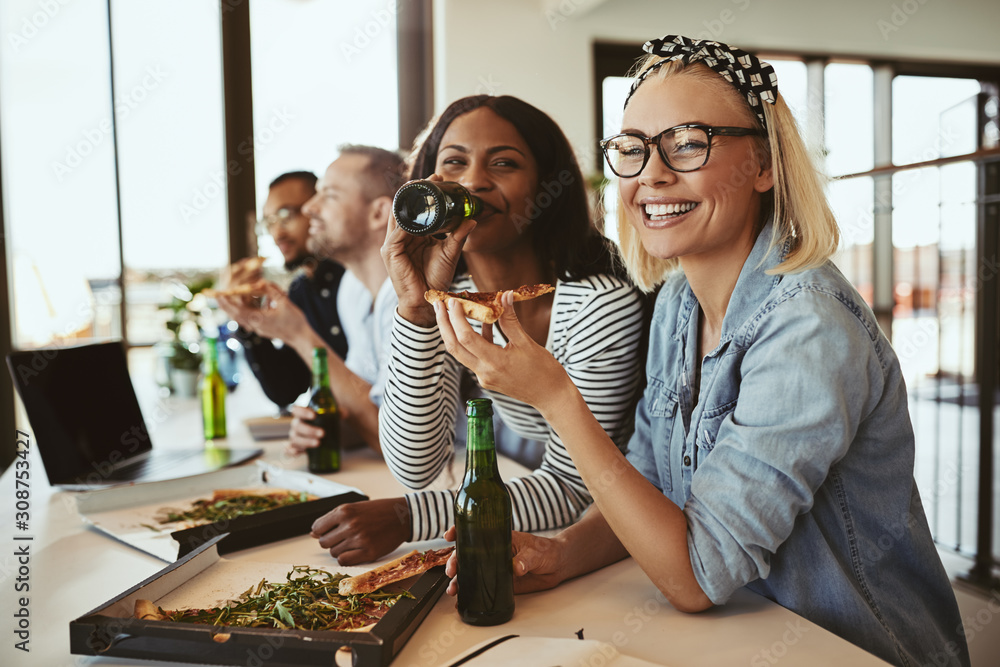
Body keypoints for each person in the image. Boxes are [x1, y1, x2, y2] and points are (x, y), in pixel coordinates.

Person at [433, 36, 970, 667]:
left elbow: (696, 576)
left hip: (852, 649)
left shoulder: (810, 327)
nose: (652, 175)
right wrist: (562, 554)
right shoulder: (679, 301)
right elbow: (651, 486)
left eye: (688, 143)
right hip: (735, 638)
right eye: (632, 150)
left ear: (764, 165)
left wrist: (555, 396)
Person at [308, 94, 648, 566]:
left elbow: (577, 487)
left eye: (504, 163)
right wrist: (417, 310)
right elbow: (416, 466)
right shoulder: (452, 295)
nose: (473, 182)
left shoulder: (596, 304)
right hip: (554, 534)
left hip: (621, 542)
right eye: (454, 163)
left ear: (546, 186)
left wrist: (409, 519)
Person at [217, 145, 405, 453]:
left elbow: (401, 445)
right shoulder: (353, 292)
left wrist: (298, 333)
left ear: (378, 213)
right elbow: (370, 405)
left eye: (328, 195)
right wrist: (327, 427)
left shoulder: (412, 303)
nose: (309, 209)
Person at [219, 171, 350, 410]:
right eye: (269, 222)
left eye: (285, 215)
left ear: (318, 208)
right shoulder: (301, 290)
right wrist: (248, 321)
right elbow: (286, 389)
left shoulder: (356, 278)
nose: (277, 233)